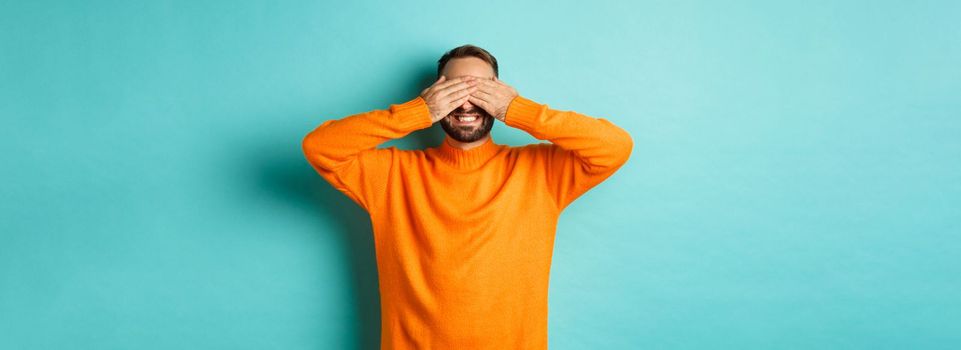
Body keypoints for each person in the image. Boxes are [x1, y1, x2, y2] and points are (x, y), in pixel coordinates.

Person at [302, 44, 633, 349]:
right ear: (433, 94)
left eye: (481, 89)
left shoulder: (541, 172)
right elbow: (320, 147)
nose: (466, 102)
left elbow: (614, 146)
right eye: (453, 89)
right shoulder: (391, 175)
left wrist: (519, 110)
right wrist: (416, 112)